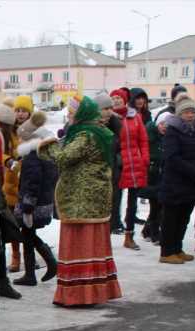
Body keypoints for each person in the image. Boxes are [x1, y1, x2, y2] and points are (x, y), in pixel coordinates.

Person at [37, 95, 122, 305]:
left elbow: (64, 158)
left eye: (72, 113)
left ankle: (79, 294)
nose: (69, 116)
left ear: (82, 113)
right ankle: (95, 290)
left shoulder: (86, 135)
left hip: (81, 199)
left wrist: (48, 144)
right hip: (95, 197)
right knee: (94, 245)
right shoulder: (100, 132)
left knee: (79, 244)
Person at [158, 94, 195, 264]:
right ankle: (166, 252)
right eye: (187, 112)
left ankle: (177, 248)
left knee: (184, 218)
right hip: (175, 183)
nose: (190, 115)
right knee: (171, 219)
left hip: (191, 184)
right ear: (179, 113)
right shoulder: (172, 131)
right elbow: (172, 158)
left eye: (193, 111)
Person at [13, 111, 58, 286]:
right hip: (43, 201)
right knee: (29, 235)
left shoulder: (32, 155)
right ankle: (46, 264)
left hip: (33, 203)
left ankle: (32, 273)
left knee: (27, 234)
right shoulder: (46, 152)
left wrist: (28, 205)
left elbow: (32, 182)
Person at [111, 88, 150, 250]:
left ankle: (129, 235)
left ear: (125, 99)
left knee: (132, 203)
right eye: (113, 98)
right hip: (117, 164)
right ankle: (110, 231)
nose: (116, 100)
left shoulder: (135, 117)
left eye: (119, 97)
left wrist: (145, 158)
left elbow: (143, 139)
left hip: (134, 163)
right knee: (114, 200)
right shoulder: (108, 118)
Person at [0, 102, 24, 296]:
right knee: (5, 231)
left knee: (9, 228)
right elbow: (0, 158)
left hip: (8, 186)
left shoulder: (13, 134)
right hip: (3, 187)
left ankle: (13, 261)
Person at [96, 92, 125, 236]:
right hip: (96, 174)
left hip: (114, 170)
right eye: (104, 108)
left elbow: (123, 146)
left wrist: (119, 160)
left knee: (114, 200)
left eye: (109, 108)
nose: (108, 112)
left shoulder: (116, 124)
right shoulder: (92, 127)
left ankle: (113, 224)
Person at [141, 111, 171, 245]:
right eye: (163, 124)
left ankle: (147, 230)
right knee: (155, 207)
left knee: (160, 207)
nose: (165, 127)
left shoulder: (169, 138)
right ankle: (154, 233)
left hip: (163, 177)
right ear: (158, 124)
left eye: (168, 125)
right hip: (153, 176)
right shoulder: (151, 138)